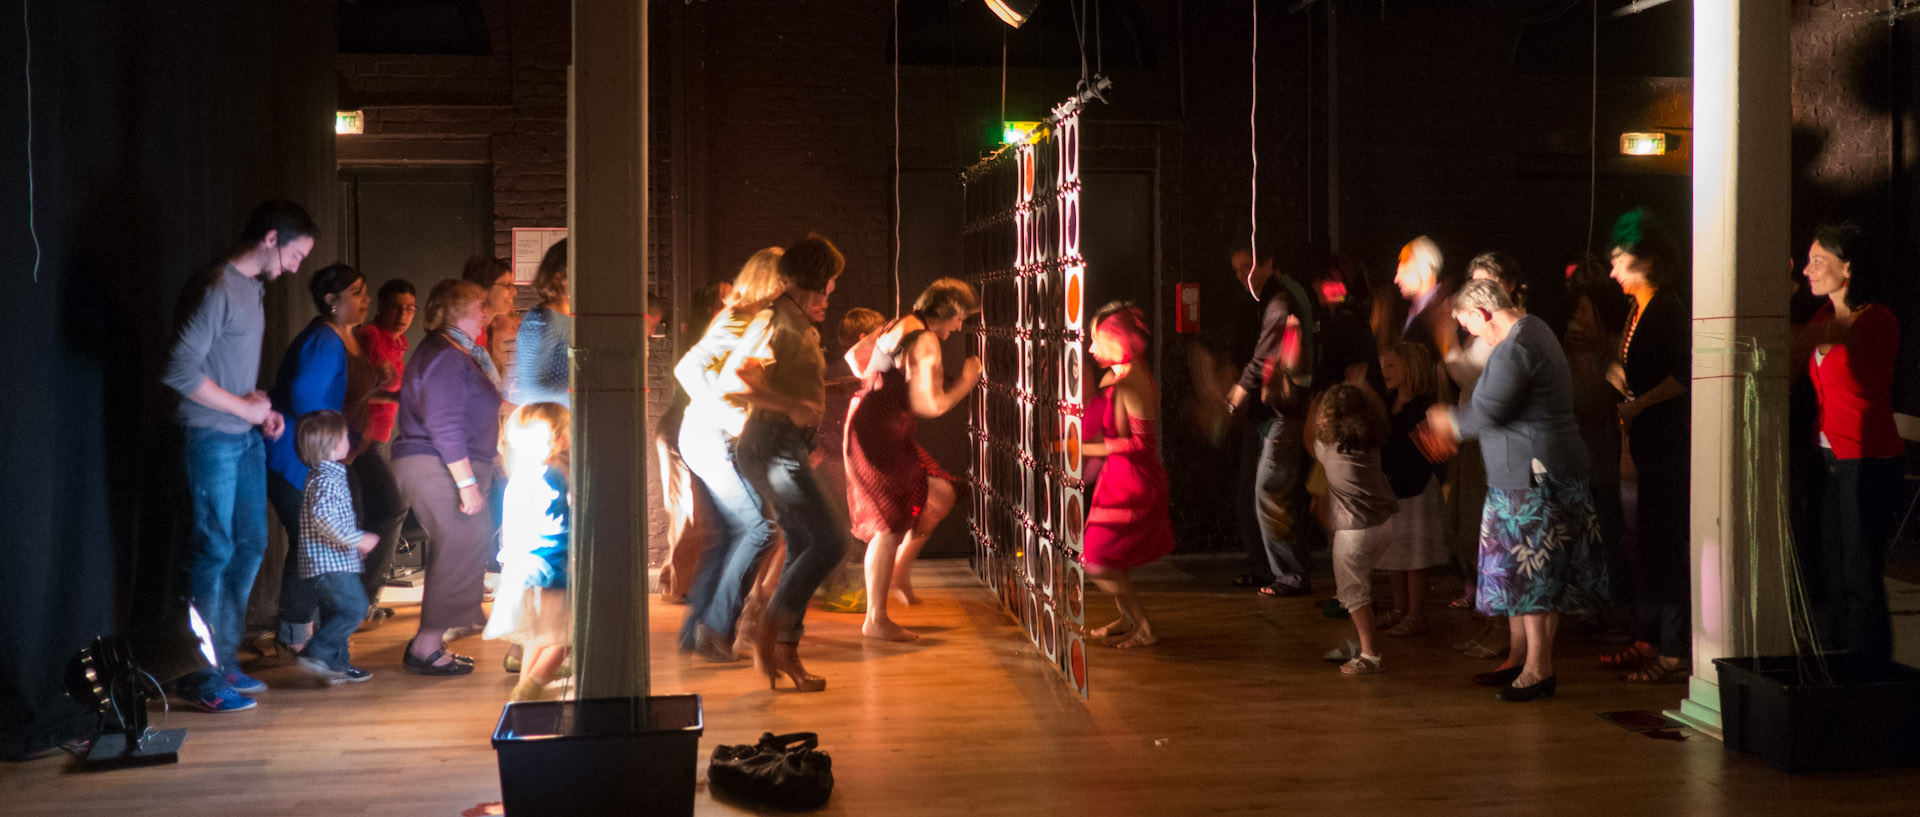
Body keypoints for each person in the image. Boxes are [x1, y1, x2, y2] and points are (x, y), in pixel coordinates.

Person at [162, 201, 316, 713]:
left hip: (243, 436)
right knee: (214, 551)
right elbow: (180, 373)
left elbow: (222, 369)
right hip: (210, 437)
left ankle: (224, 661)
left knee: (250, 544)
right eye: (295, 255)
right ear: (271, 238)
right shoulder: (216, 287)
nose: (296, 268)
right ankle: (200, 677)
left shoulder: (252, 289)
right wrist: (242, 412)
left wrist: (257, 405)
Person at [1424, 279, 1609, 701]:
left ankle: (1539, 671)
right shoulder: (1531, 331)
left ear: (1485, 312)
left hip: (1534, 480)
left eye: (1468, 323)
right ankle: (1523, 661)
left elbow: (1486, 411)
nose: (1471, 333)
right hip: (1524, 478)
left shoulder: (1517, 347)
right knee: (1522, 579)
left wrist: (1444, 420)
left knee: (1536, 578)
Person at [722, 233, 848, 691]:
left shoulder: (793, 319)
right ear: (818, 279)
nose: (833, 290)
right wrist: (791, 406)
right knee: (831, 539)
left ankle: (784, 652)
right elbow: (734, 379)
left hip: (781, 442)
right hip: (772, 444)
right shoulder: (775, 319)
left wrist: (826, 393)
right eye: (831, 280)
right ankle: (770, 628)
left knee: (801, 541)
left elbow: (783, 379)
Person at [265, 264, 401, 655]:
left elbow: (351, 393)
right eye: (357, 293)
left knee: (323, 535)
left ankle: (317, 628)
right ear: (331, 300)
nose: (366, 299)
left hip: (333, 456)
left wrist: (391, 397)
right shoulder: (324, 340)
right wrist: (328, 446)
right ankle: (295, 634)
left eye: (365, 291)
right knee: (312, 539)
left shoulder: (348, 336)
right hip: (301, 458)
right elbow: (307, 399)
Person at [844, 281, 981, 640]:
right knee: (888, 526)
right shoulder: (925, 340)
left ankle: (899, 572)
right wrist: (966, 381)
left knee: (940, 495)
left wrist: (883, 384)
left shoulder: (897, 323)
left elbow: (855, 358)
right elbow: (929, 406)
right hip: (880, 435)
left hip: (876, 426)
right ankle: (876, 620)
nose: (958, 327)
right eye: (959, 318)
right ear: (948, 311)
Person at [674, 251, 786, 661]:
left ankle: (697, 632)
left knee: (728, 538)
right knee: (759, 528)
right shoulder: (740, 318)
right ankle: (716, 628)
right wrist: (727, 415)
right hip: (709, 434)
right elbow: (687, 369)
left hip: (707, 433)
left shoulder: (745, 317)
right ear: (773, 281)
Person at [1800, 222, 1901, 663]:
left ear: (1848, 268)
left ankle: (1867, 668)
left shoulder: (1877, 318)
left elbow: (1860, 366)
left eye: (1818, 261)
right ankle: (1830, 658)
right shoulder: (1823, 318)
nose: (1808, 270)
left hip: (1867, 459)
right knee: (1827, 565)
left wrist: (1811, 336)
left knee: (1861, 570)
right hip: (1827, 457)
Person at [392, 279, 503, 675]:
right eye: (479, 305)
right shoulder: (448, 356)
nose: (486, 312)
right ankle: (425, 646)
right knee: (462, 538)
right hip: (433, 461)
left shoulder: (458, 353)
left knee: (465, 540)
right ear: (455, 310)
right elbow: (444, 422)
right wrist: (467, 483)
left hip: (445, 461)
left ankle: (431, 640)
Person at [1603, 209, 1693, 683]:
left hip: (1669, 443)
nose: (1614, 271)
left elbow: (1684, 374)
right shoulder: (1638, 308)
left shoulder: (1668, 308)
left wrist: (1641, 405)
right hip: (1647, 442)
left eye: (1621, 260)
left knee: (1667, 544)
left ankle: (1674, 650)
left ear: (1649, 260)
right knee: (1648, 543)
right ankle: (1649, 636)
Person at [1077, 303, 1177, 648]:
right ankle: (1127, 618)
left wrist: (1076, 449)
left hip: (1134, 485)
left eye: (1096, 340)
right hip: (1118, 482)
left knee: (1097, 561)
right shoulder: (1119, 375)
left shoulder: (1132, 382)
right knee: (1107, 557)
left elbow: (1138, 445)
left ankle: (1145, 627)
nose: (1091, 349)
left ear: (1117, 340)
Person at [1225, 249, 1318, 597]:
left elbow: (1264, 355)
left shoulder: (1280, 301)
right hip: (1275, 413)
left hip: (1282, 414)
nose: (1241, 276)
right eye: (1235, 270)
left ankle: (1289, 574)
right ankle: (1281, 569)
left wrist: (1236, 394)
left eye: (1246, 267)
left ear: (1268, 263)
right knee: (1268, 493)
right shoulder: (1276, 298)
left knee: (1269, 493)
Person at [485, 402, 575, 701]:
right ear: (557, 437)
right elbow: (557, 526)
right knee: (568, 638)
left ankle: (522, 696)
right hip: (550, 568)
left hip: (523, 569)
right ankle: (532, 684)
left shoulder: (523, 475)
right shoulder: (553, 477)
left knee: (538, 638)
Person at [1309, 383, 1397, 674]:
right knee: (1360, 588)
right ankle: (1359, 643)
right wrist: (1364, 390)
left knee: (1353, 594)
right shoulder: (1370, 444)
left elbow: (1308, 439)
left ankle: (1370, 655)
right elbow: (1380, 417)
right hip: (1385, 526)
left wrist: (1311, 410)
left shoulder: (1328, 450)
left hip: (1353, 534)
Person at [657, 280, 733, 603]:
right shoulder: (704, 342)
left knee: (698, 511)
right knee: (691, 511)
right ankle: (679, 588)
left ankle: (675, 580)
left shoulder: (719, 338)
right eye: (728, 297)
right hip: (679, 431)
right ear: (713, 306)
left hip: (696, 432)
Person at [290, 410, 378, 684]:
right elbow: (324, 519)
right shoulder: (326, 480)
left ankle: (337, 664)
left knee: (336, 612)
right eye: (343, 436)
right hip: (330, 565)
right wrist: (358, 539)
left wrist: (354, 546)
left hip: (334, 561)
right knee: (355, 608)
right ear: (335, 446)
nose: (348, 439)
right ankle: (318, 652)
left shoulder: (325, 476)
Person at [1368, 342, 1448, 637]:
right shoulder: (1389, 405)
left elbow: (1426, 453)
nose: (1385, 371)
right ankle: (1399, 608)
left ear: (1410, 368)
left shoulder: (1424, 408)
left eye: (1392, 365)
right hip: (1393, 488)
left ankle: (1415, 613)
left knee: (1414, 555)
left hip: (1416, 489)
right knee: (1395, 553)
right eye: (1384, 365)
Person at [817, 306, 888, 614]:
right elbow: (828, 420)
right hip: (832, 457)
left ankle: (839, 586)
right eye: (880, 332)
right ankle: (839, 590)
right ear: (863, 338)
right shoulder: (845, 373)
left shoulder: (845, 369)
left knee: (844, 523)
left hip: (834, 455)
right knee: (845, 523)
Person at [354, 278, 417, 616]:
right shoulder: (370, 338)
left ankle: (365, 598)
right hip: (359, 440)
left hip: (377, 439)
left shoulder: (398, 342)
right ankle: (362, 599)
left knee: (379, 513)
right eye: (396, 307)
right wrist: (393, 394)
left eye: (409, 309)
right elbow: (355, 388)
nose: (403, 314)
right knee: (392, 509)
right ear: (381, 305)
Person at [514, 240, 571, 407]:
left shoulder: (571, 318)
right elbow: (533, 388)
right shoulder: (542, 320)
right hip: (551, 426)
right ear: (559, 278)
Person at [463, 255, 520, 390]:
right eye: (507, 286)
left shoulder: (484, 332)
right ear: (484, 288)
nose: (515, 292)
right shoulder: (468, 335)